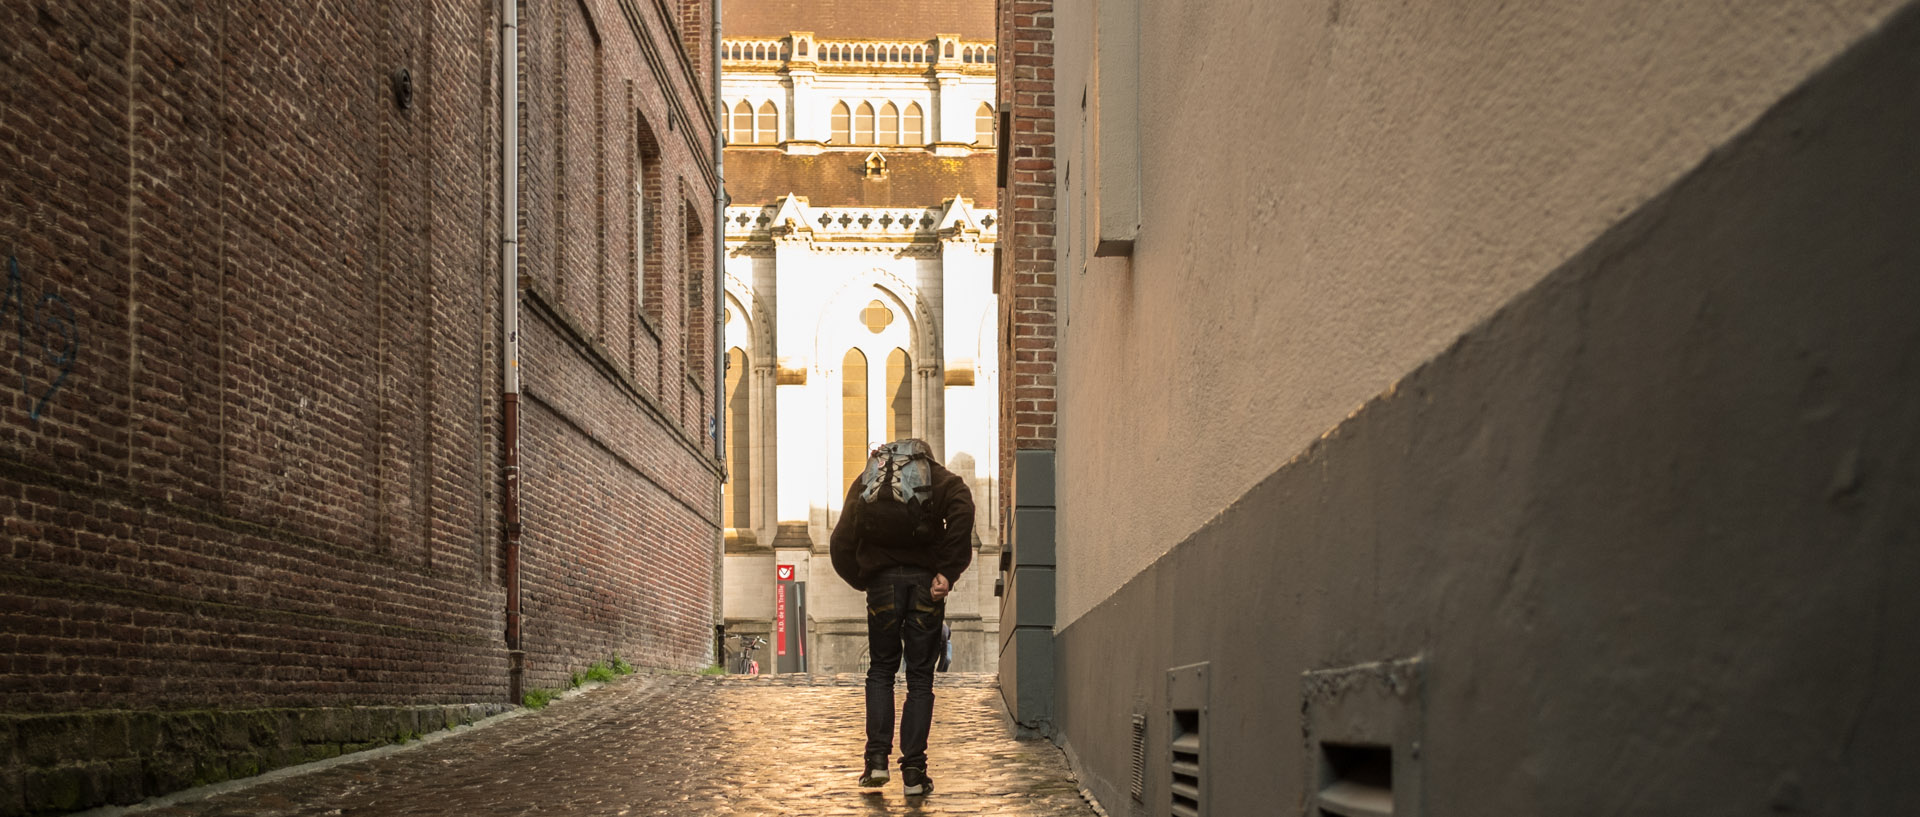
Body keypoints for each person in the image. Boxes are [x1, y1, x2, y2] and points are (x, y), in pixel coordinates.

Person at [830, 439, 973, 797]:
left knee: (881, 670)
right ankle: (913, 773)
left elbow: (840, 540)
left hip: (881, 585)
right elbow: (963, 505)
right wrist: (947, 571)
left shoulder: (870, 478)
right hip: (926, 585)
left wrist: (863, 578)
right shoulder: (938, 478)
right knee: (920, 678)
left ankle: (876, 762)